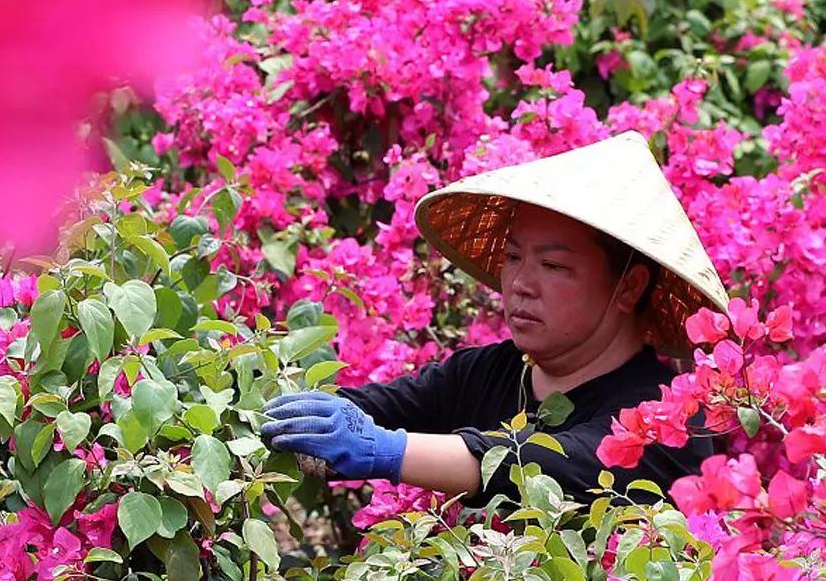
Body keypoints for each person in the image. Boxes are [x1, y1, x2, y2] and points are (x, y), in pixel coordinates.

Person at [261, 131, 729, 511]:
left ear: (628, 287)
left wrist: (385, 451)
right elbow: (374, 408)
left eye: (554, 266)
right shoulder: (484, 374)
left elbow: (543, 465)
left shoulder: (664, 420)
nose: (520, 284)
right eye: (512, 257)